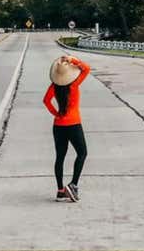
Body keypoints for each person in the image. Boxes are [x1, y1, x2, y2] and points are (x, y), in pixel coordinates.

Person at [43, 55, 90, 202]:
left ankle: (60, 191)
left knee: (60, 157)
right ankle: (73, 185)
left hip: (58, 125)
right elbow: (86, 69)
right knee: (82, 153)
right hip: (74, 124)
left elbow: (46, 101)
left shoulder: (54, 86)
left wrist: (56, 113)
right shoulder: (74, 84)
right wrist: (72, 60)